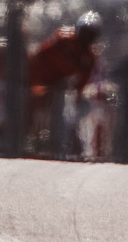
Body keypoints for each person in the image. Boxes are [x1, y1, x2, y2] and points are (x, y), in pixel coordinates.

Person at [27, 11, 102, 143]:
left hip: (57, 91)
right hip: (38, 82)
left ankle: (55, 143)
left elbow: (82, 80)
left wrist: (74, 89)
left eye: (91, 34)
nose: (87, 37)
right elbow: (41, 55)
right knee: (31, 114)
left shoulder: (89, 57)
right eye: (85, 32)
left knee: (58, 119)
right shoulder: (63, 39)